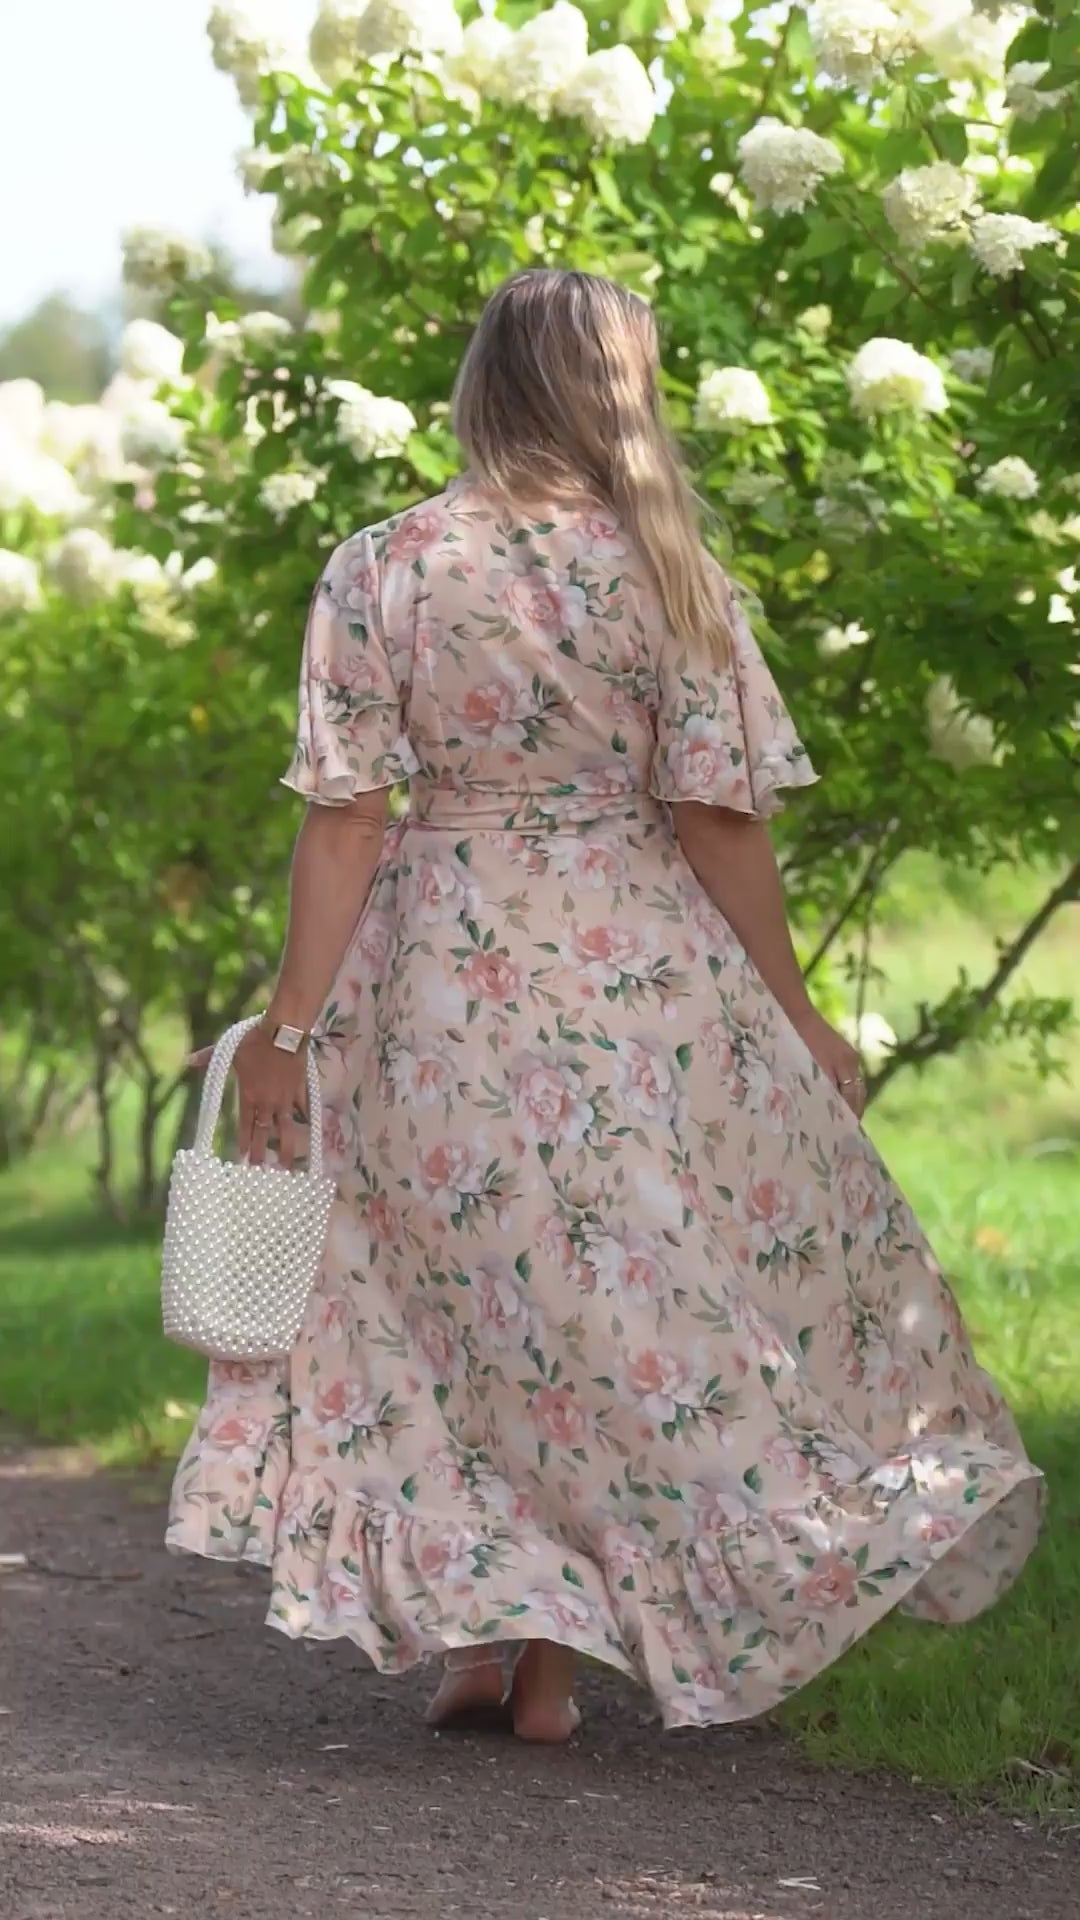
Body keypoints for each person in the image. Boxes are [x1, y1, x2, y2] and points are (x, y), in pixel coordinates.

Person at [168, 269, 1042, 1744]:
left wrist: (293, 1030)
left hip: (430, 984)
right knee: (591, 1312)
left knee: (445, 1309)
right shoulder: (671, 577)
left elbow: (345, 817)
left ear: (482, 385)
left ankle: (487, 1631)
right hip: (636, 995)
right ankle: (553, 1661)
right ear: (620, 394)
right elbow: (720, 826)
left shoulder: (384, 564)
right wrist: (802, 1011)